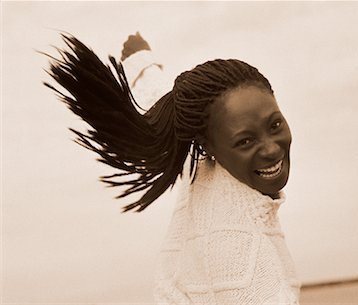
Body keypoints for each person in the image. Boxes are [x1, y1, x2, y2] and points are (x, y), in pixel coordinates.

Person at [44, 33, 301, 304]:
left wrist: (140, 62)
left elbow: (168, 103)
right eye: (245, 141)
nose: (271, 149)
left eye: (274, 125)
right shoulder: (248, 264)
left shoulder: (202, 165)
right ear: (209, 146)